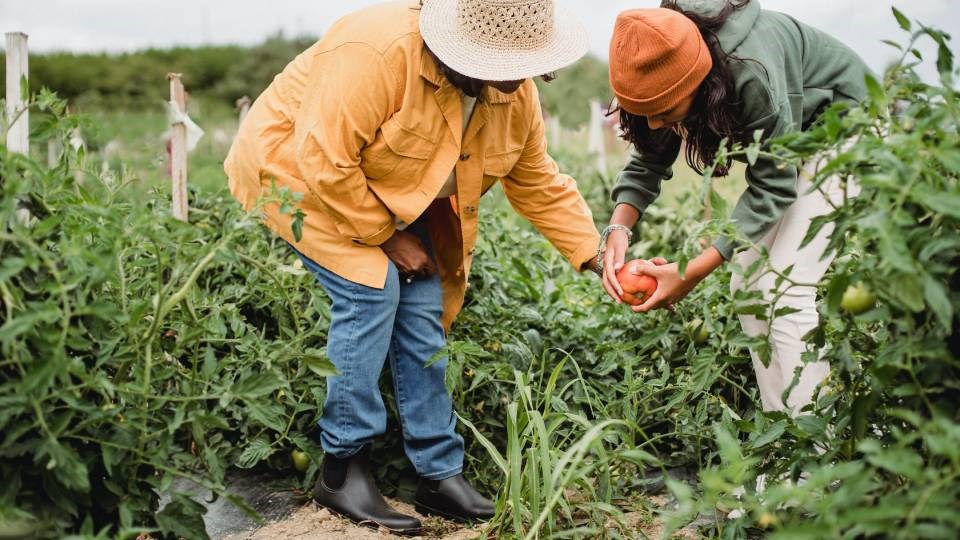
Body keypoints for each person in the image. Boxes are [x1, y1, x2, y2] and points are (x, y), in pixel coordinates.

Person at [224, 0, 602, 534]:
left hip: (392, 191)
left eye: (527, 67)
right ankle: (342, 467)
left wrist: (596, 253)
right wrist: (387, 237)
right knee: (372, 289)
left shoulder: (513, 91)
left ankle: (438, 474)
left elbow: (537, 179)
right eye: (503, 68)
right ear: (459, 48)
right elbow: (323, 158)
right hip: (299, 176)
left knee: (423, 305)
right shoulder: (377, 51)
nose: (517, 83)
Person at [599, 0, 871, 415]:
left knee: (787, 288)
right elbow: (650, 157)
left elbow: (773, 184)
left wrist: (688, 273)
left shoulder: (750, 73)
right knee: (746, 286)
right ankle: (781, 443)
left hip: (848, 126)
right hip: (798, 141)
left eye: (664, 112)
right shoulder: (667, 57)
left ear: (699, 84)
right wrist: (618, 230)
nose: (654, 125)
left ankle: (818, 460)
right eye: (644, 113)